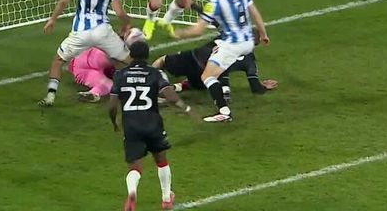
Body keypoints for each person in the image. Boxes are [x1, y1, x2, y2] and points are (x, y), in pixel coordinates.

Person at [174, 0, 269, 123]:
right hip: (248, 43)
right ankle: (225, 89)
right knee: (216, 67)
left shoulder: (215, 1)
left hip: (232, 44)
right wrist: (263, 34)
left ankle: (224, 111)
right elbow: (256, 14)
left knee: (207, 76)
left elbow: (198, 30)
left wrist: (181, 33)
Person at [108, 41, 196, 210]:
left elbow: (112, 106)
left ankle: (132, 192)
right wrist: (186, 108)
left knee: (134, 168)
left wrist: (114, 123)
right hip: (152, 124)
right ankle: (166, 198)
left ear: (131, 55)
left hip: (131, 126)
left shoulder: (120, 75)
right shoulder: (154, 73)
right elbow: (170, 95)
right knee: (161, 161)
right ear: (147, 55)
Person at [39, 0, 132, 107]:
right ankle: (147, 89)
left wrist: (52, 19)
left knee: (58, 61)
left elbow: (64, 1)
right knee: (130, 61)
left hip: (80, 33)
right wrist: (126, 25)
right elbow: (119, 11)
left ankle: (50, 97)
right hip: (103, 31)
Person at [152, 27, 277, 105]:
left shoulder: (227, 34)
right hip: (207, 75)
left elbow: (213, 20)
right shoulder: (250, 59)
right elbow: (256, 88)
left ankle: (149, 86)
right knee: (204, 83)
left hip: (195, 59)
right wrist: (263, 86)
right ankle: (176, 87)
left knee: (161, 61)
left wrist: (194, 5)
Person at [72, 28, 146, 103]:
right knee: (111, 85)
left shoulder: (112, 41)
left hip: (82, 61)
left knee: (109, 82)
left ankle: (93, 93)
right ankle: (94, 92)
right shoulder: (118, 54)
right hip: (84, 67)